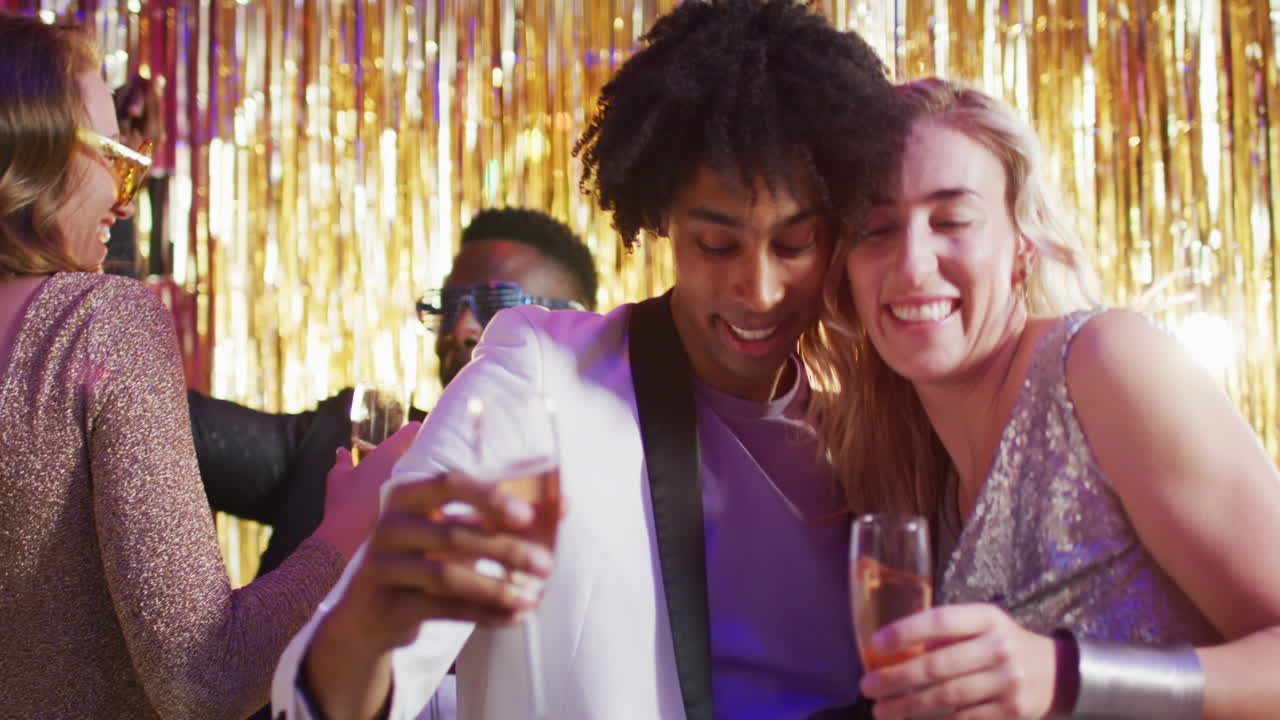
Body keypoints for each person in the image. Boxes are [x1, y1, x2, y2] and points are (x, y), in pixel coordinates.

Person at [272, 1, 905, 718]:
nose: (758, 290)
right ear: (662, 215)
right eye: (717, 244)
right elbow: (341, 690)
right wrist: (366, 622)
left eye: (794, 245)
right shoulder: (542, 377)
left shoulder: (872, 433)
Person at [804, 77, 1280, 719]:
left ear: (1022, 248)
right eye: (876, 228)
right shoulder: (901, 470)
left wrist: (1066, 677)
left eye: (952, 221)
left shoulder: (1104, 364)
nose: (913, 265)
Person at [0, 13, 414, 718]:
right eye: (118, 158)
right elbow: (205, 679)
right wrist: (352, 525)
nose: (128, 196)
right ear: (39, 150)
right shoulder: (100, 325)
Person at [190, 206, 599, 582]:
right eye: (449, 306)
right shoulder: (354, 438)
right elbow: (177, 429)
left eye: (496, 305)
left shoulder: (600, 491)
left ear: (576, 326)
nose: (460, 329)